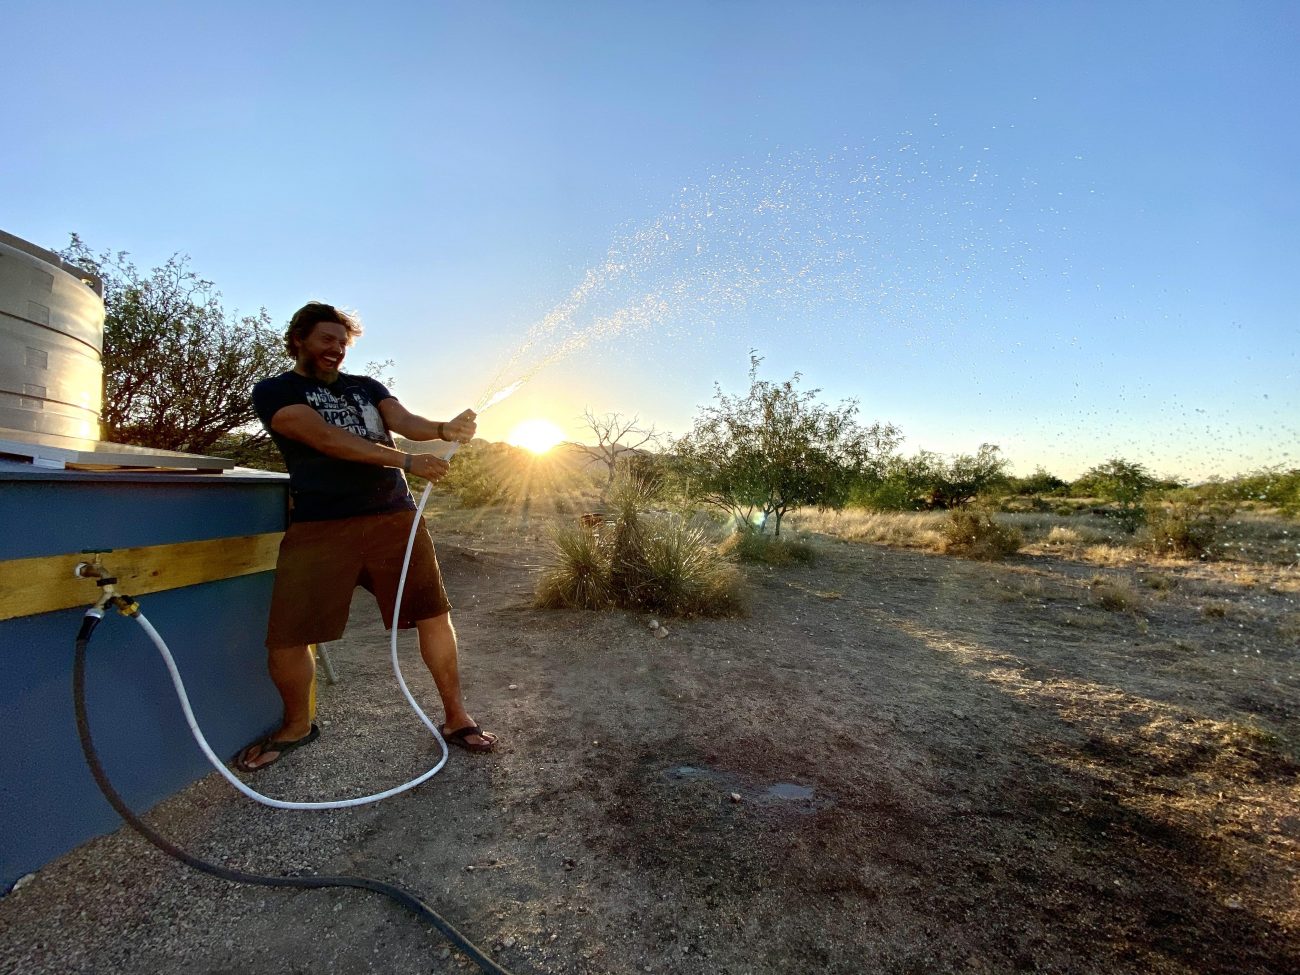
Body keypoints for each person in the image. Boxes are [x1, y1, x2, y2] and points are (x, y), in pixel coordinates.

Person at [236, 301, 496, 771]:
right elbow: (323, 437)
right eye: (326, 339)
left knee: (433, 616)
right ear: (299, 339)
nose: (336, 349)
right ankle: (297, 726)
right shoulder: (276, 391)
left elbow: (405, 422)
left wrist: (441, 429)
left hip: (393, 519)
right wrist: (407, 462)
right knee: (289, 637)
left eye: (342, 341)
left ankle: (457, 718)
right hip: (320, 525)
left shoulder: (366, 387)